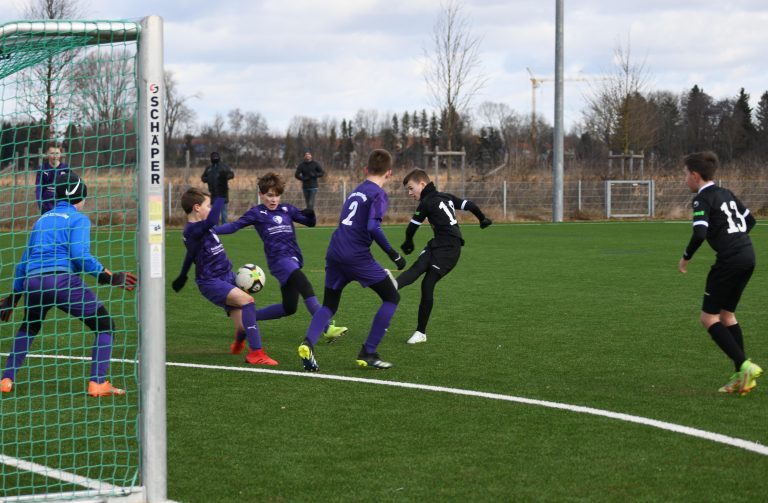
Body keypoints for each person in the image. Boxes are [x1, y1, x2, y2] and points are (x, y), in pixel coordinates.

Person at [0, 172, 137, 397]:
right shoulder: (78, 219)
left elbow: (23, 263)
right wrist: (110, 277)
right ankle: (97, 383)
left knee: (29, 327)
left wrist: (13, 299)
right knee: (105, 325)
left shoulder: (42, 219)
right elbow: (80, 256)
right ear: (80, 197)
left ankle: (6, 379)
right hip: (61, 281)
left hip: (33, 282)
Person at [213, 172, 348, 351]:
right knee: (305, 285)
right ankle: (327, 327)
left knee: (289, 307)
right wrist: (211, 230)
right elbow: (233, 226)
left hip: (293, 259)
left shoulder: (287, 209)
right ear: (261, 194)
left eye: (277, 195)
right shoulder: (257, 213)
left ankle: (249, 316)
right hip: (279, 261)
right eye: (269, 195)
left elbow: (310, 223)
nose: (273, 199)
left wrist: (311, 214)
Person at [297, 149, 405, 371]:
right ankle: (369, 352)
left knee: (329, 305)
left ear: (365, 169)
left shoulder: (356, 191)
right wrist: (393, 254)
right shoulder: (378, 194)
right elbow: (372, 227)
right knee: (391, 297)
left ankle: (308, 343)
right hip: (356, 256)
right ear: (389, 173)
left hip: (334, 251)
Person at [678, 151, 762, 396]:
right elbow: (750, 221)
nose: (685, 179)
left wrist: (686, 256)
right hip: (748, 256)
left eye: (686, 174)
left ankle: (745, 365)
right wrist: (735, 239)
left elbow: (699, 233)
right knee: (727, 315)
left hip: (729, 261)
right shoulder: (726, 193)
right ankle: (741, 376)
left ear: (695, 175)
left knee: (708, 318)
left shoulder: (702, 199)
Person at [170, 181, 277, 366]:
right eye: (208, 205)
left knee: (244, 324)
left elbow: (191, 254)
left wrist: (183, 275)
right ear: (197, 208)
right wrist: (220, 196)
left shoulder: (202, 227)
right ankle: (256, 353)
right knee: (248, 302)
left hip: (227, 276)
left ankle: (238, 343)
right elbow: (212, 220)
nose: (211, 209)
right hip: (211, 282)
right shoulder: (192, 229)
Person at [396, 168, 492, 345]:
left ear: (422, 184)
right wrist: (482, 219)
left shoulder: (426, 202)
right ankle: (391, 287)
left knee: (427, 284)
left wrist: (408, 242)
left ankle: (421, 333)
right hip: (437, 243)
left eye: (411, 188)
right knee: (417, 268)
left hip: (450, 249)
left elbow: (411, 228)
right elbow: (470, 205)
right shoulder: (446, 196)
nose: (410, 193)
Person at [35, 144, 70, 214]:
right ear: (47, 154)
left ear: (60, 154)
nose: (55, 156)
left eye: (57, 153)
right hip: (46, 206)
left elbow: (70, 187)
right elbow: (38, 188)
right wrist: (40, 204)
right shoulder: (42, 169)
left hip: (62, 205)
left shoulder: (66, 169)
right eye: (52, 153)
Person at [201, 152, 234, 224]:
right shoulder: (209, 168)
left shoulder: (224, 167)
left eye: (216, 157)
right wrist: (208, 179)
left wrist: (224, 178)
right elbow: (203, 178)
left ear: (219, 157)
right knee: (215, 213)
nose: (214, 158)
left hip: (223, 193)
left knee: (224, 213)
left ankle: (224, 227)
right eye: (213, 157)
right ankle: (215, 228)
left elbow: (231, 174)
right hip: (213, 193)